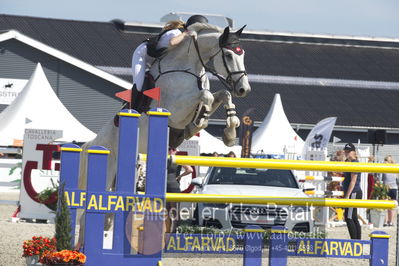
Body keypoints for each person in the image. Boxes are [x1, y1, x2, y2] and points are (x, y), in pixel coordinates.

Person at [131, 15, 208, 92]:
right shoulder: (177, 33)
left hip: (156, 58)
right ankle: (129, 103)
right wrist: (186, 34)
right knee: (139, 86)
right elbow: (172, 42)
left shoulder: (185, 36)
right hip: (142, 55)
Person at [166, 147, 193, 233]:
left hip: (165, 186)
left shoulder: (164, 158)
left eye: (172, 149)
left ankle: (169, 230)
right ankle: (174, 230)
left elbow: (190, 170)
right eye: (170, 149)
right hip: (174, 185)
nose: (171, 151)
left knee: (168, 210)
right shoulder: (178, 159)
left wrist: (179, 176)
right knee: (173, 210)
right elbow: (190, 169)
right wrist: (179, 177)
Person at [342, 143, 362, 239]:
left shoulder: (355, 163)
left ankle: (355, 242)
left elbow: (353, 182)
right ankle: (358, 242)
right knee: (353, 217)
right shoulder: (349, 162)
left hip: (353, 192)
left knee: (349, 217)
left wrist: (347, 196)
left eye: (348, 151)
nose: (346, 153)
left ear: (353, 152)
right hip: (353, 192)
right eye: (345, 151)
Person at [382, 155, 398, 226]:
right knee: (385, 205)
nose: (385, 162)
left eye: (387, 160)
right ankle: (385, 221)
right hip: (385, 188)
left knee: (392, 205)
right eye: (385, 160)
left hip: (393, 188)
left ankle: (390, 221)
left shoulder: (394, 167)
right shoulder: (383, 168)